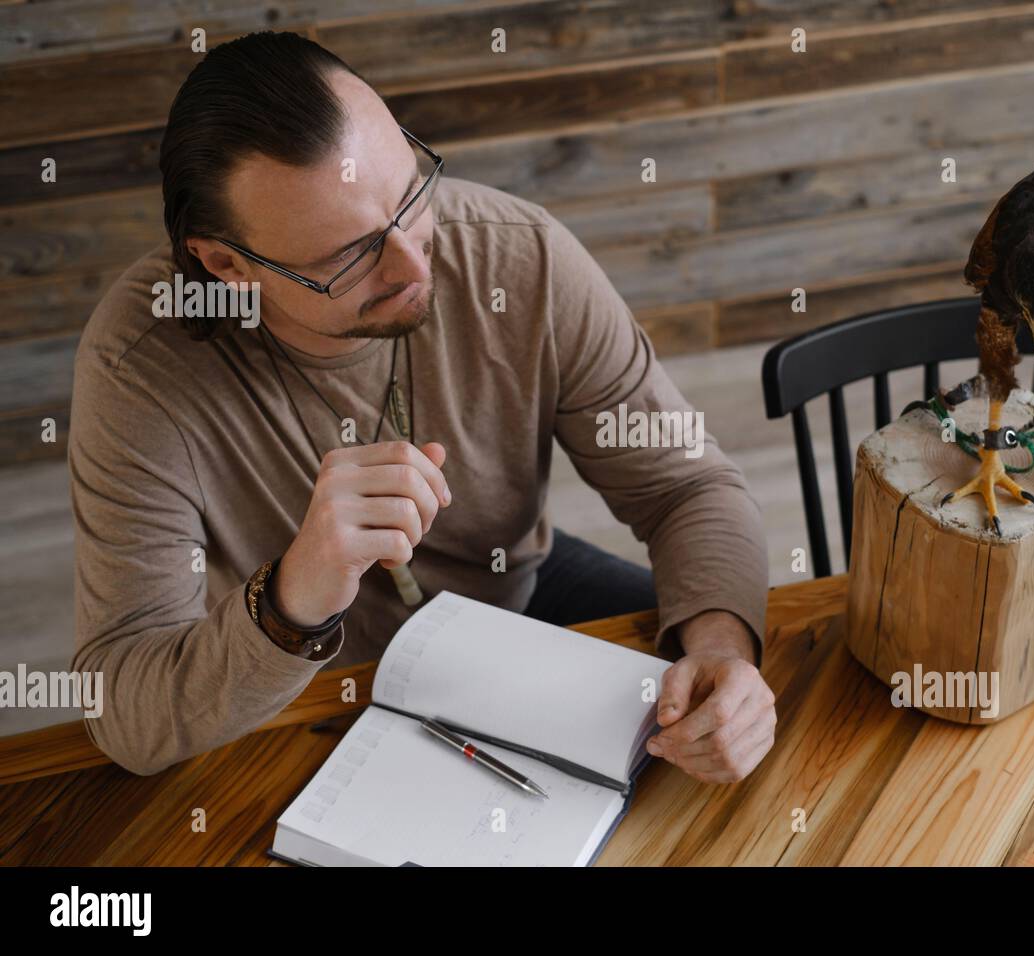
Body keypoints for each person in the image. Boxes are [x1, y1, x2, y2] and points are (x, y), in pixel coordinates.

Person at [68, 31, 775, 783]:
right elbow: (123, 710)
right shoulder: (139, 365)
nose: (413, 264)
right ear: (225, 263)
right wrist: (292, 597)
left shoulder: (521, 255)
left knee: (736, 723)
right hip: (293, 679)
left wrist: (723, 649)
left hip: (511, 588)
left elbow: (686, 485)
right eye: (347, 254)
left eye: (410, 195)